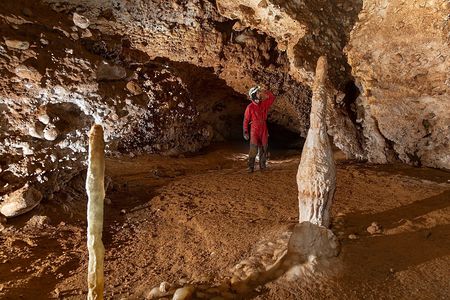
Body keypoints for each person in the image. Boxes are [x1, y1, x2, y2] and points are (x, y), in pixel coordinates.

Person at [243, 85, 276, 172]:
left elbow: (272, 98)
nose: (259, 94)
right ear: (253, 95)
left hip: (263, 128)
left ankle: (262, 165)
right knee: (253, 148)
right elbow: (246, 120)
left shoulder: (264, 104)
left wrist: (266, 91)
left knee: (264, 147)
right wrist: (245, 131)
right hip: (254, 128)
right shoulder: (250, 107)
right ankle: (251, 167)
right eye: (257, 93)